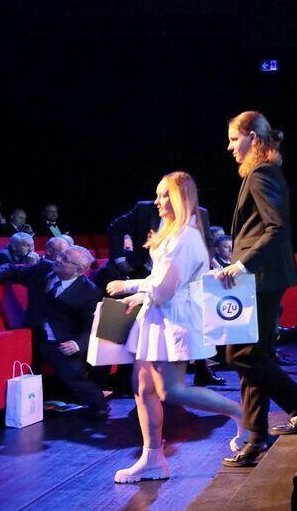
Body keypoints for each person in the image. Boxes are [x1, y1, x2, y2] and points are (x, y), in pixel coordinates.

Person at [105, 173, 245, 483]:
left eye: (164, 195)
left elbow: (166, 289)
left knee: (171, 390)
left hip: (174, 320)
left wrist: (130, 286)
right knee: (142, 388)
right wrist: (142, 295)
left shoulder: (185, 238)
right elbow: (162, 283)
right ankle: (152, 459)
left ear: (180, 198)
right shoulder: (174, 233)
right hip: (158, 316)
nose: (157, 201)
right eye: (157, 194)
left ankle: (241, 413)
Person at [215, 111, 297, 467]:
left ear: (252, 137)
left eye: (234, 139)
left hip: (260, 279)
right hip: (256, 278)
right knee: (252, 358)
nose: (230, 147)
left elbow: (276, 228)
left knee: (242, 356)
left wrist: (242, 264)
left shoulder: (261, 174)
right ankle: (256, 437)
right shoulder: (260, 173)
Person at [0, 246, 106, 417]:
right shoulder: (44, 269)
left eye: (65, 260)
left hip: (59, 342)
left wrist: (77, 344)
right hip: (30, 336)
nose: (58, 259)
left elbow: (93, 326)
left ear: (79, 270)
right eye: (61, 255)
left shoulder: (90, 292)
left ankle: (99, 407)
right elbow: (13, 269)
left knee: (74, 373)